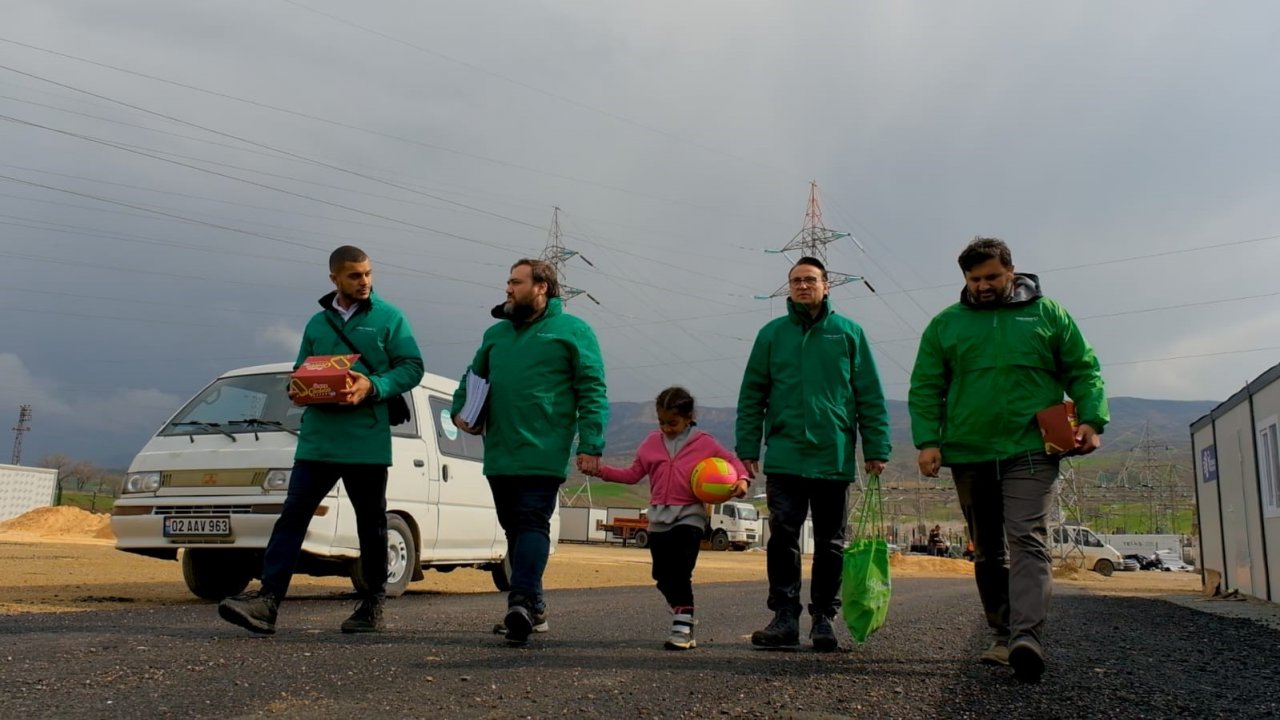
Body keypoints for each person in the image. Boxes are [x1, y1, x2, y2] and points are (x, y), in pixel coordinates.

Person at [908, 236, 1108, 683]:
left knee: (1028, 539)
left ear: (1011, 272)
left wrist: (1092, 419)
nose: (983, 285)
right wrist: (928, 441)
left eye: (992, 277)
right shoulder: (946, 325)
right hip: (970, 452)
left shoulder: (1048, 314)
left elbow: (1083, 368)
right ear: (965, 279)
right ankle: (1001, 635)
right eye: (974, 279)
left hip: (1032, 450)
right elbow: (926, 386)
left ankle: (1027, 638)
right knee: (988, 551)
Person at [219, 245, 424, 635]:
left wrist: (374, 384)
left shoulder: (390, 318)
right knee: (292, 519)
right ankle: (268, 602)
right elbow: (301, 370)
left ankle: (372, 605)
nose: (364, 281)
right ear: (334, 279)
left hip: (366, 440)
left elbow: (412, 366)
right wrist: (298, 388)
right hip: (317, 440)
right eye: (354, 275)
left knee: (371, 525)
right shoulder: (316, 324)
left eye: (368, 273)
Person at [735, 256, 892, 652]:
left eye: (810, 280)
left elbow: (869, 394)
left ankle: (824, 618)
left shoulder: (848, 333)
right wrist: (747, 447)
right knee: (782, 536)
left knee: (831, 542)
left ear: (826, 286)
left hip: (833, 453)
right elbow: (753, 394)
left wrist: (876, 447)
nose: (802, 286)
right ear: (788, 288)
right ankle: (784, 617)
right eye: (795, 281)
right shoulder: (771, 335)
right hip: (786, 453)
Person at [451, 258, 608, 646]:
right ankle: (534, 609)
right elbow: (473, 377)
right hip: (500, 448)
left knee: (532, 522)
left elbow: (592, 388)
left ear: (542, 287)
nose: (508, 288)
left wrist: (591, 444)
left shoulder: (573, 330)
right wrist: (460, 411)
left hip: (544, 446)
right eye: (507, 281)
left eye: (515, 282)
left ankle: (519, 602)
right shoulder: (496, 334)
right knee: (514, 529)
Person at [583, 386, 749, 650]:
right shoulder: (650, 443)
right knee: (661, 575)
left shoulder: (705, 442)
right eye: (662, 422)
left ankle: (683, 625)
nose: (667, 428)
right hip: (659, 519)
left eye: (673, 423)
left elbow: (733, 462)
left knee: (681, 572)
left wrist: (741, 480)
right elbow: (632, 474)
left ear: (689, 417)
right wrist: (600, 471)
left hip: (690, 518)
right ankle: (683, 611)